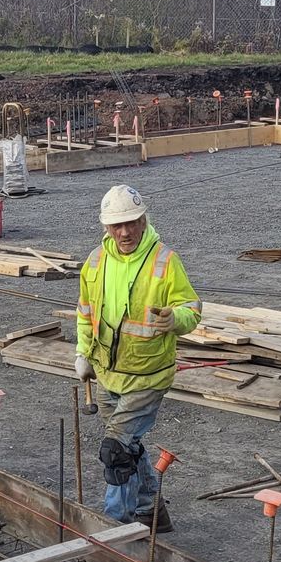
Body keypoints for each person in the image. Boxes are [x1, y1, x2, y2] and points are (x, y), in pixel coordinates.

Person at [73, 185, 201, 528]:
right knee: (127, 447)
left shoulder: (164, 261)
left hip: (148, 376)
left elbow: (192, 308)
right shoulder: (96, 262)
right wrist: (83, 352)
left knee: (115, 452)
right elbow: (86, 312)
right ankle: (151, 509)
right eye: (117, 225)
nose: (125, 232)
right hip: (107, 373)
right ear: (106, 227)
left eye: (132, 222)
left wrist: (176, 320)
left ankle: (116, 528)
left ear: (144, 219)